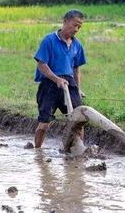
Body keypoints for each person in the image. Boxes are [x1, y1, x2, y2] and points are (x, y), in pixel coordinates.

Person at [32, 9, 87, 148]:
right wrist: (56, 79)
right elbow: (41, 64)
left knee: (78, 121)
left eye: (79, 26)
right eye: (75, 25)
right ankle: (37, 152)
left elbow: (76, 69)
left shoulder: (77, 45)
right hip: (49, 85)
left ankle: (77, 152)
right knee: (44, 123)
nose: (77, 29)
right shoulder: (49, 40)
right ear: (65, 21)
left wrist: (78, 89)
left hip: (69, 84)